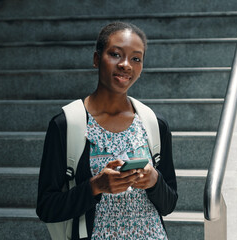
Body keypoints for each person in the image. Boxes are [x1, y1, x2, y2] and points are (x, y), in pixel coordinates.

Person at [36, 22, 178, 239]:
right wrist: (95, 186)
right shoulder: (66, 125)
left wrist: (154, 180)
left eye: (136, 58)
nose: (125, 65)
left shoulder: (154, 124)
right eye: (115, 54)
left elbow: (169, 205)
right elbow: (46, 207)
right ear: (96, 59)